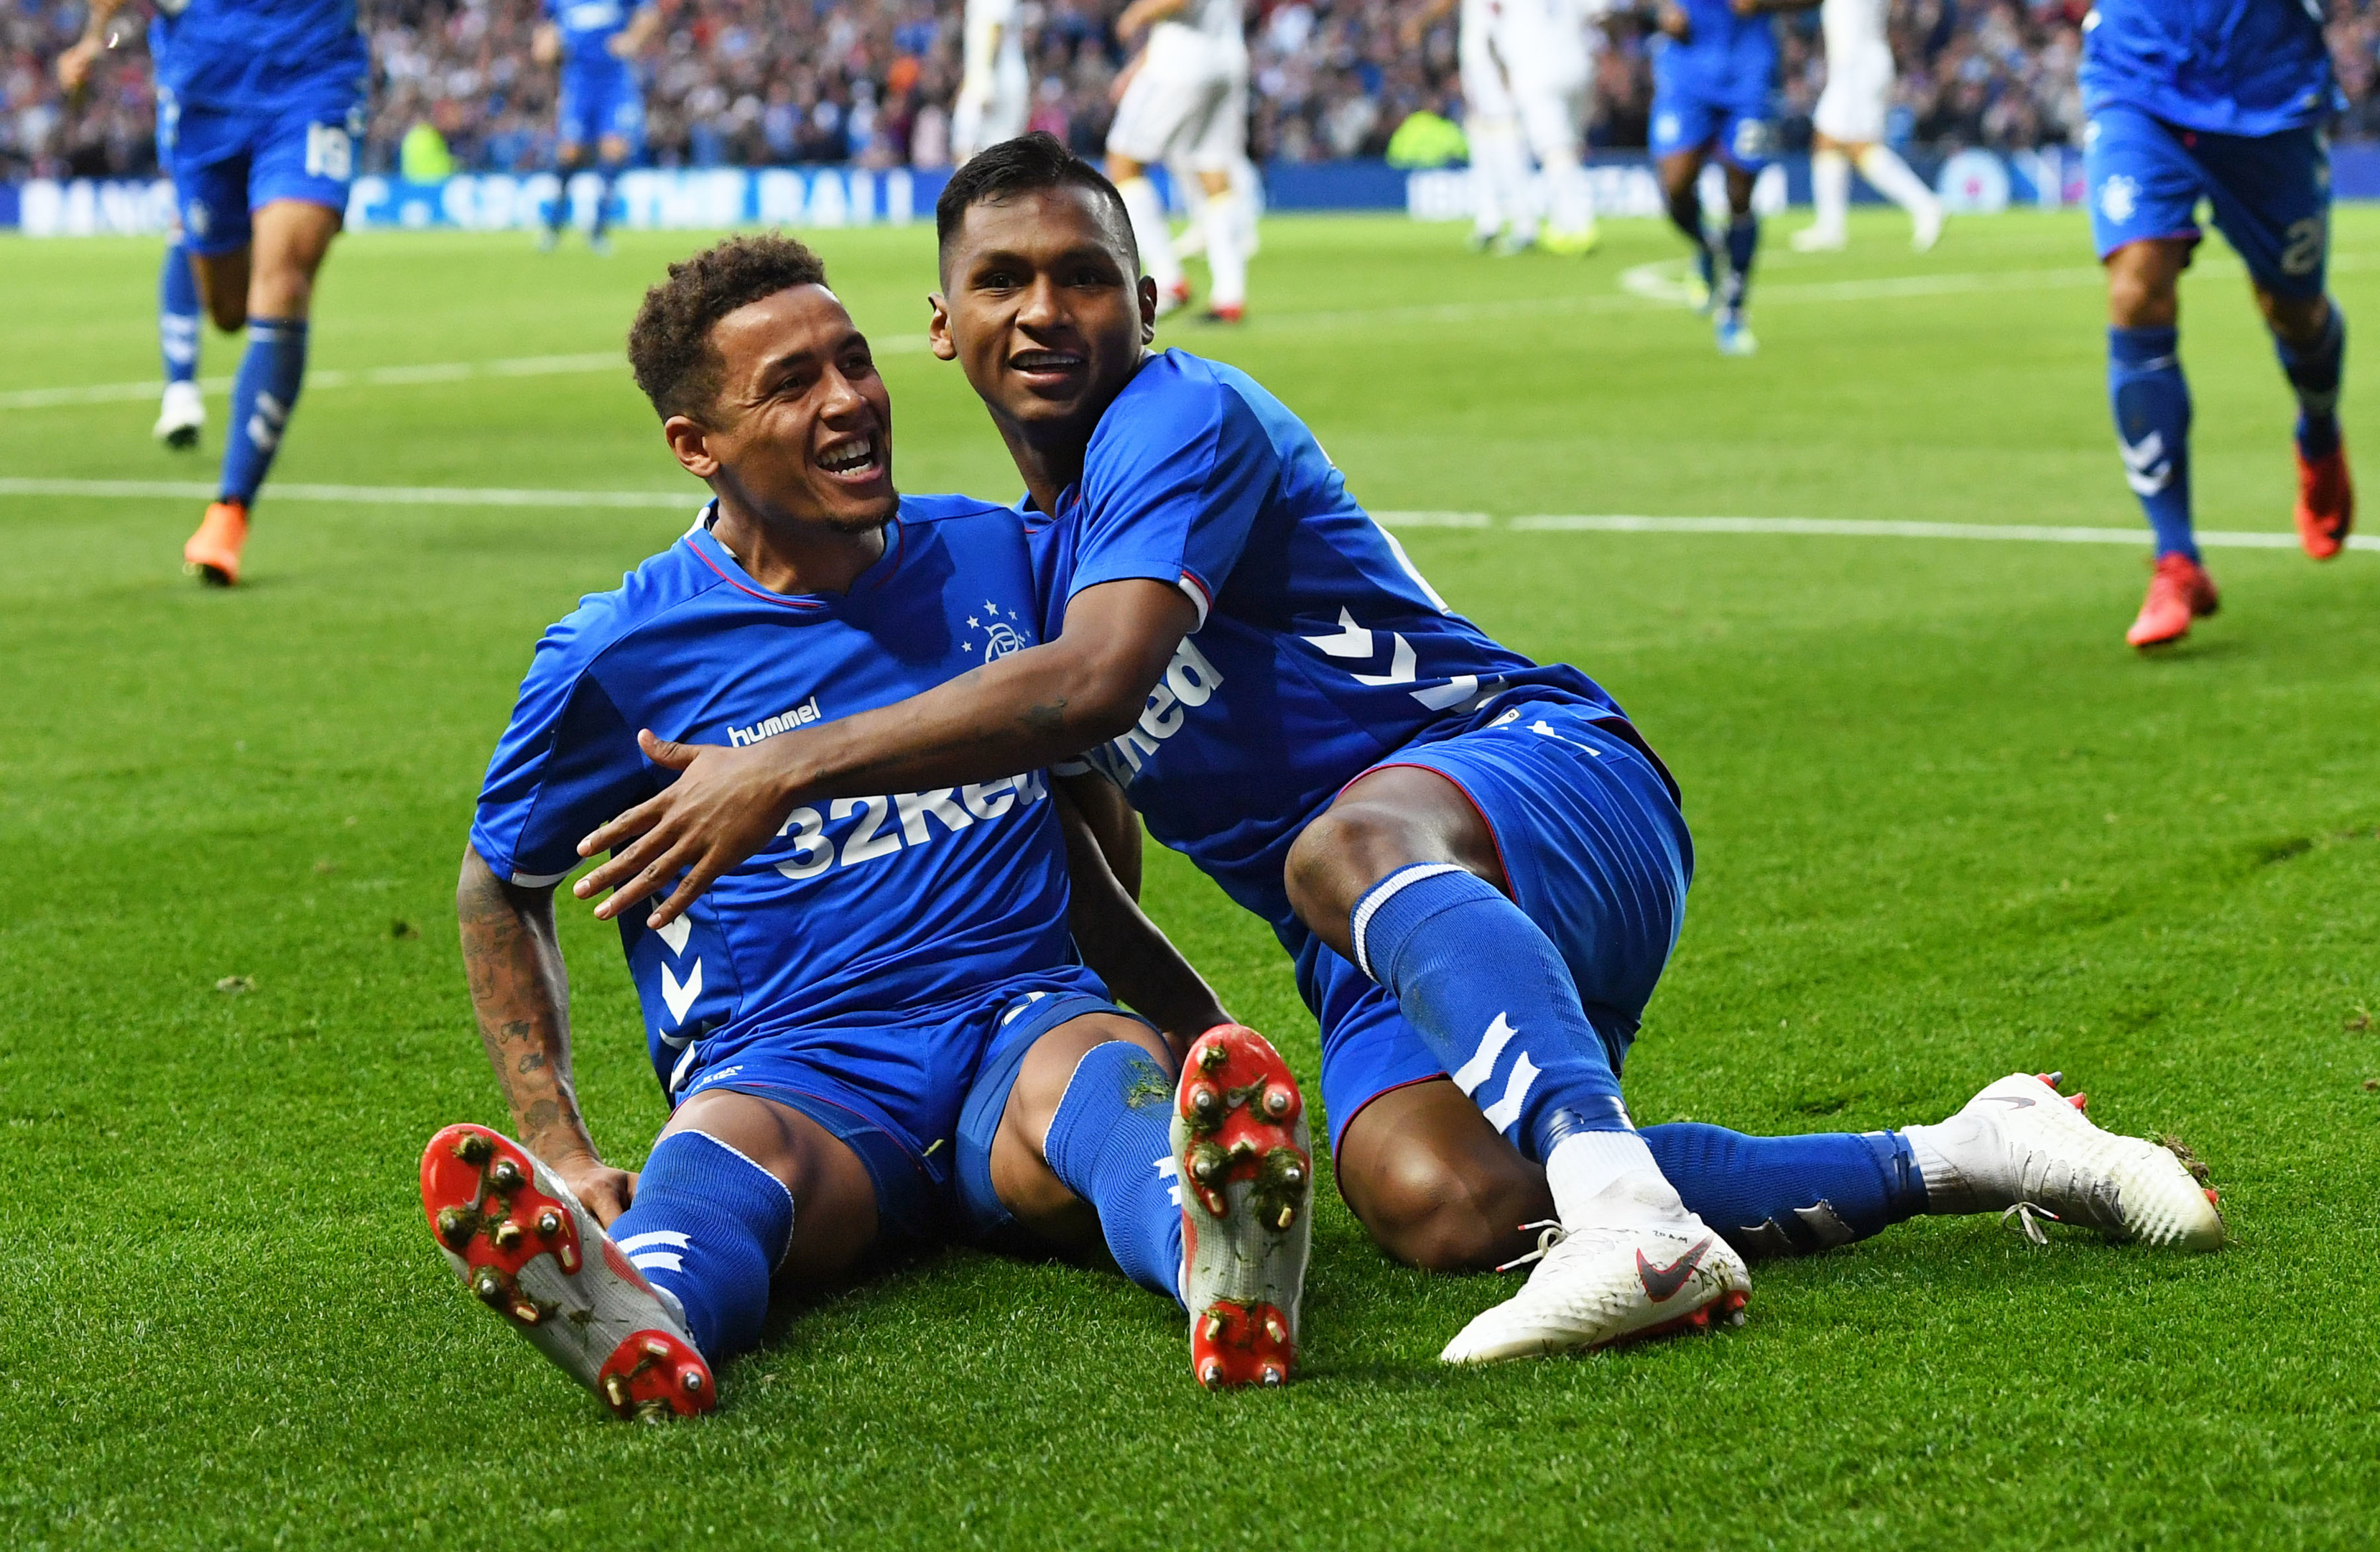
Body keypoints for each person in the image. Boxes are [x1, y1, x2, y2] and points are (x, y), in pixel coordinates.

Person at [562, 136, 2229, 1364]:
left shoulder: (1176, 417)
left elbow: (1095, 688)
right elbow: (1067, 848)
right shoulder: (1025, 554)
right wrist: (1213, 1039)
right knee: (1433, 1203)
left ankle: (1636, 1229)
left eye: (1084, 275)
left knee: (1338, 847)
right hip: (1372, 928)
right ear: (948, 324)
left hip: (1526, 776)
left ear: (1150, 298)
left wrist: (783, 762)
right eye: (1004, 281)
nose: (1046, 309)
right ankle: (1985, 1145)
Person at [431, 236, 1311, 1417]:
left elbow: (1080, 797)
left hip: (1016, 1014)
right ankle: (641, 1313)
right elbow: (500, 885)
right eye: (789, 385)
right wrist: (566, 1148)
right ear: (697, 449)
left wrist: (1175, 1013)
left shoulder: (1000, 559)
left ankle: (1220, 1260)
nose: (847, 399)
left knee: (1106, 1082)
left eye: (852, 359)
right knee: (728, 1159)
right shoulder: (620, 656)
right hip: (793, 1057)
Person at [60, 0, 366, 586]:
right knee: (228, 310)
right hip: (203, 97)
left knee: (284, 283)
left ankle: (229, 512)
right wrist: (93, 38)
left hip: (311, 85)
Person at [2081, 0, 2353, 648]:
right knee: (2135, 290)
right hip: (2137, 74)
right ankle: (2175, 560)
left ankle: (2317, 431)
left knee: (2292, 310)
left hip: (2270, 89)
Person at [1649, 0, 1818, 356]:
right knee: (1676, 184)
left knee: (1741, 195)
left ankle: (1734, 311)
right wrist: (1662, 9)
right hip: (1686, 73)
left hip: (1749, 79)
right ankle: (1708, 245)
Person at [1410, 0, 1601, 256]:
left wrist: (1419, 21)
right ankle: (1494, 218)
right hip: (1525, 52)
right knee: (1488, 131)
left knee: (1511, 133)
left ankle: (1531, 222)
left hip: (1503, 52)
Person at [1105, 0, 1251, 321]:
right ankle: (1230, 296)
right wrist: (1138, 66)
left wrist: (1136, 14)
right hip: (1226, 60)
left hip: (1181, 65)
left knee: (1123, 161)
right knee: (1212, 170)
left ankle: (1169, 280)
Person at [1789, 0, 1942, 254]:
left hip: (1857, 68)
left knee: (1859, 146)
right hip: (1858, 64)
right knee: (1826, 140)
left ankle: (1924, 204)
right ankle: (1831, 226)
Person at [534, 0, 657, 255]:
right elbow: (545, 33)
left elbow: (649, 13)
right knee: (570, 153)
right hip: (578, 82)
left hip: (614, 81)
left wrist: (632, 39)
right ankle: (553, 226)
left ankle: (598, 231)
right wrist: (545, 46)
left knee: (614, 149)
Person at [952, 0, 1030, 162]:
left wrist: (984, 79)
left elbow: (994, 30)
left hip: (998, 80)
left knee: (971, 143)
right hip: (1003, 78)